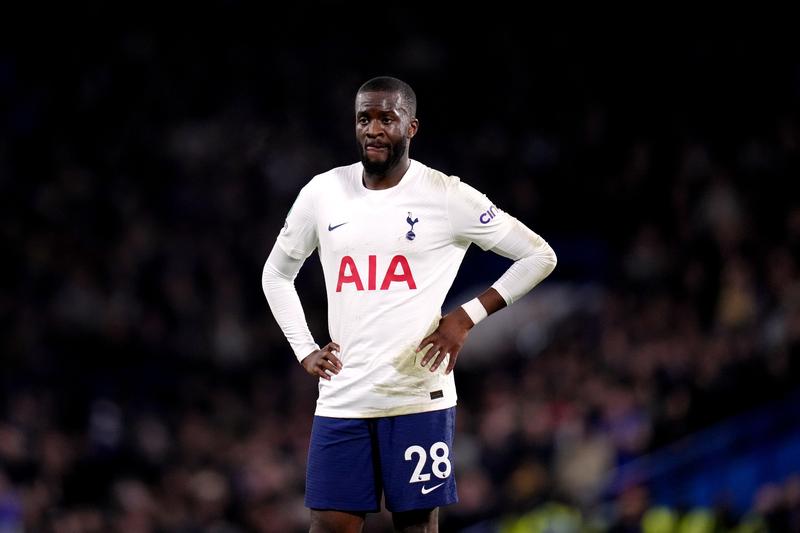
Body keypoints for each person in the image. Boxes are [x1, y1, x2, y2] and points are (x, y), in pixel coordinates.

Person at [262, 76, 557, 532]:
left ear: (411, 127)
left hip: (418, 394)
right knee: (328, 525)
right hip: (343, 396)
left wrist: (466, 316)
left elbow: (539, 255)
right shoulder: (323, 192)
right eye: (364, 119)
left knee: (416, 526)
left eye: (387, 118)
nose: (373, 129)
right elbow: (276, 274)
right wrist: (304, 348)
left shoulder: (446, 195)